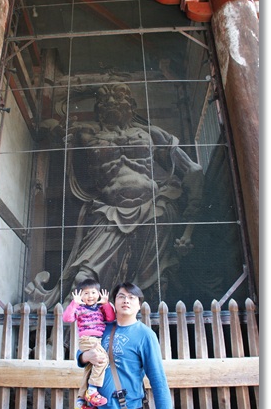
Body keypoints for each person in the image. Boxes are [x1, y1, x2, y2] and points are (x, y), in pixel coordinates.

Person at [25, 83, 204, 307]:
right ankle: (67, 337)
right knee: (84, 276)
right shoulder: (86, 132)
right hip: (109, 212)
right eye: (104, 102)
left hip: (153, 209)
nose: (111, 105)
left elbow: (193, 170)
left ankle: (157, 336)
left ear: (132, 107)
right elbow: (48, 127)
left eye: (118, 101)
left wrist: (192, 214)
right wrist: (53, 119)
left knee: (157, 281)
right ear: (97, 109)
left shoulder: (150, 134)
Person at [77, 282, 173, 409]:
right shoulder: (102, 328)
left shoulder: (145, 335)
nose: (126, 300)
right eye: (121, 296)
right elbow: (80, 355)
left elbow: (158, 379)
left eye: (132, 297)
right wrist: (87, 356)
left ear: (139, 305)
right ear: (114, 302)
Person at [62, 279, 116, 409]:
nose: (90, 296)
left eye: (93, 292)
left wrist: (106, 304)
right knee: (102, 360)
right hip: (87, 339)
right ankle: (92, 391)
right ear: (80, 295)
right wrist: (74, 303)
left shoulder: (99, 308)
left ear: (98, 294)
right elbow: (67, 318)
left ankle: (80, 403)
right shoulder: (79, 308)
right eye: (86, 293)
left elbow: (110, 318)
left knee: (89, 368)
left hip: (96, 339)